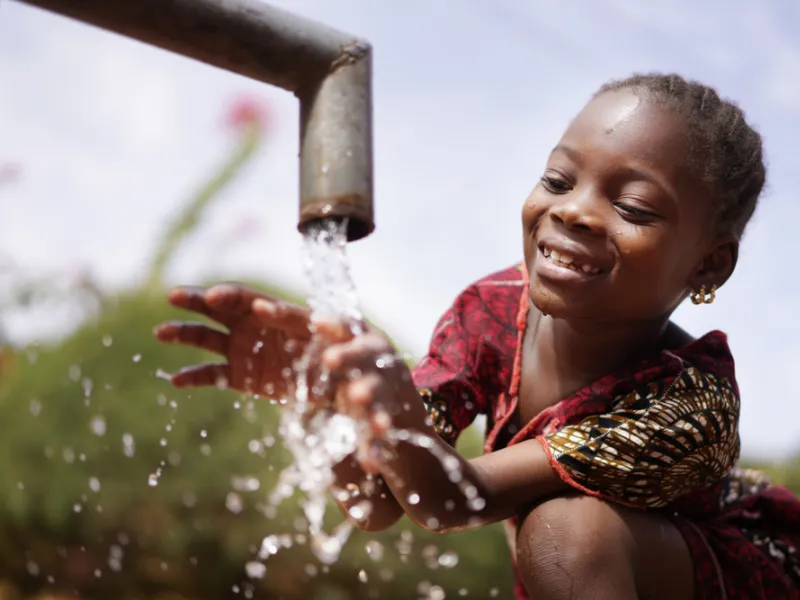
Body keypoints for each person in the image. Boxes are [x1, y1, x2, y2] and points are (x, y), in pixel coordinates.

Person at [154, 73, 800, 599]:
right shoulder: (492, 310)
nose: (574, 209)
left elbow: (450, 501)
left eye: (631, 207)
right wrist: (341, 403)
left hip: (743, 574)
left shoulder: (689, 402)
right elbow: (378, 501)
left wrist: (391, 412)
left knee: (565, 533)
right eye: (557, 180)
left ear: (708, 264)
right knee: (559, 538)